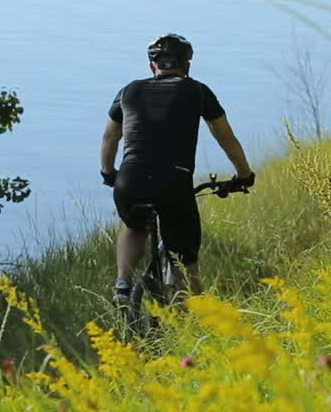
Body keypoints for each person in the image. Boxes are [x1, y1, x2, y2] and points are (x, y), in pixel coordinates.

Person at [100, 33, 255, 305]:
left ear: (152, 66)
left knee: (134, 227)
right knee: (186, 261)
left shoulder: (128, 91)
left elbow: (110, 138)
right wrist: (244, 174)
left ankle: (123, 284)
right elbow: (225, 136)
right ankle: (190, 318)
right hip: (173, 183)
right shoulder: (197, 91)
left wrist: (109, 174)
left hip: (129, 181)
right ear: (187, 66)